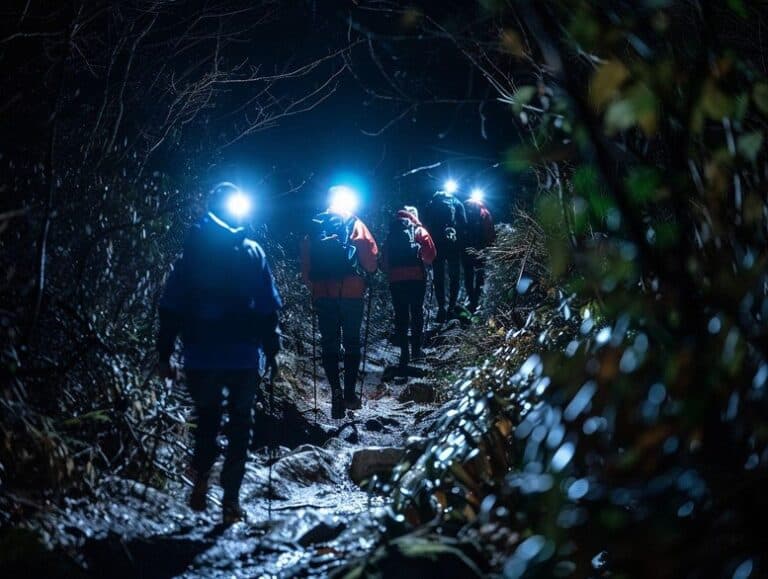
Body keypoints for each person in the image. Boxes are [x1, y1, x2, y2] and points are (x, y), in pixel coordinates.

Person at [157, 182, 282, 525]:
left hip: (201, 354)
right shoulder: (252, 251)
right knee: (240, 428)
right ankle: (230, 501)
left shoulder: (191, 254)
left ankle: (200, 475)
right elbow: (268, 308)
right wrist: (272, 350)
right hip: (243, 354)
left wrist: (164, 355)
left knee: (207, 422)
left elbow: (170, 308)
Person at [301, 186, 378, 419]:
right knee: (352, 342)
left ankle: (335, 390)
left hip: (324, 294)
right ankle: (350, 394)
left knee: (329, 344)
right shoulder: (355, 224)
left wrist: (315, 289)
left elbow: (305, 268)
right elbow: (372, 262)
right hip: (352, 292)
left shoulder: (315, 226)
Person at [381, 206, 437, 369]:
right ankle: (416, 351)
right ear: (415, 215)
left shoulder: (392, 232)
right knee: (417, 312)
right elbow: (431, 254)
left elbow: (384, 262)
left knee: (401, 315)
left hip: (396, 279)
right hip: (416, 278)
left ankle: (404, 354)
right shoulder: (419, 230)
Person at [422, 185, 467, 323]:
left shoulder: (432, 203)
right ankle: (452, 307)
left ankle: (441, 308)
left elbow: (424, 224)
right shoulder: (456, 202)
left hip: (437, 245)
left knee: (438, 277)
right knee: (454, 277)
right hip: (452, 245)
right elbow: (464, 224)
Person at [463, 191, 496, 312]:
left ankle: (471, 299)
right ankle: (477, 300)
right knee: (480, 275)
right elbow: (490, 231)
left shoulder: (463, 211)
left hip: (466, 250)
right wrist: (490, 246)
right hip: (481, 249)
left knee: (468, 276)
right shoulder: (484, 212)